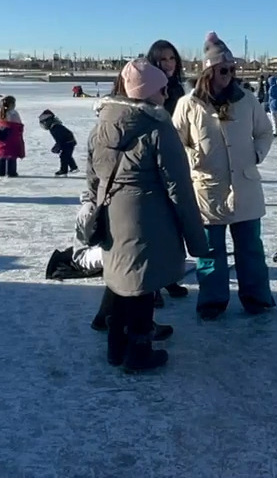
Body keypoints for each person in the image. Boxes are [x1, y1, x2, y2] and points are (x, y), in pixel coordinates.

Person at [85, 58, 211, 371]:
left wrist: (95, 206)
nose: (167, 92)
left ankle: (116, 349)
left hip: (113, 216)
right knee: (141, 285)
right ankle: (139, 352)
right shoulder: (158, 128)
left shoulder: (103, 125)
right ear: (146, 92)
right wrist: (196, 240)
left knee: (121, 282)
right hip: (149, 219)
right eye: (162, 87)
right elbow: (179, 188)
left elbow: (92, 177)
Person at [174, 32, 276, 319]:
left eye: (232, 69)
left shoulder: (246, 100)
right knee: (209, 252)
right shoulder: (189, 104)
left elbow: (265, 133)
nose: (229, 75)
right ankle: (212, 301)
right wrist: (191, 156)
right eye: (223, 70)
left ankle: (257, 298)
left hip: (245, 187)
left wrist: (256, 154)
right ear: (208, 70)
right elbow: (175, 140)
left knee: (250, 250)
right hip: (208, 187)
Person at [145, 39, 190, 299]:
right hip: (152, 163)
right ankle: (151, 286)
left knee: (174, 222)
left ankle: (170, 276)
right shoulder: (146, 89)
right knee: (153, 225)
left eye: (172, 58)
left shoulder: (177, 89)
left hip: (175, 158)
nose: (168, 64)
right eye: (162, 59)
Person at [0, 97, 25, 177]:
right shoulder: (13, 113)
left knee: (2, 153)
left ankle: (0, 171)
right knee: (12, 154)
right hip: (12, 137)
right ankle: (11, 172)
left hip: (1, 137)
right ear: (11, 104)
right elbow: (18, 123)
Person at [38, 110, 79, 176]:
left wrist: (58, 146)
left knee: (64, 156)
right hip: (68, 142)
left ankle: (64, 171)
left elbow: (61, 139)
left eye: (45, 122)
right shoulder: (54, 127)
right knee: (66, 156)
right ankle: (73, 167)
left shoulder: (56, 128)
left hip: (68, 142)